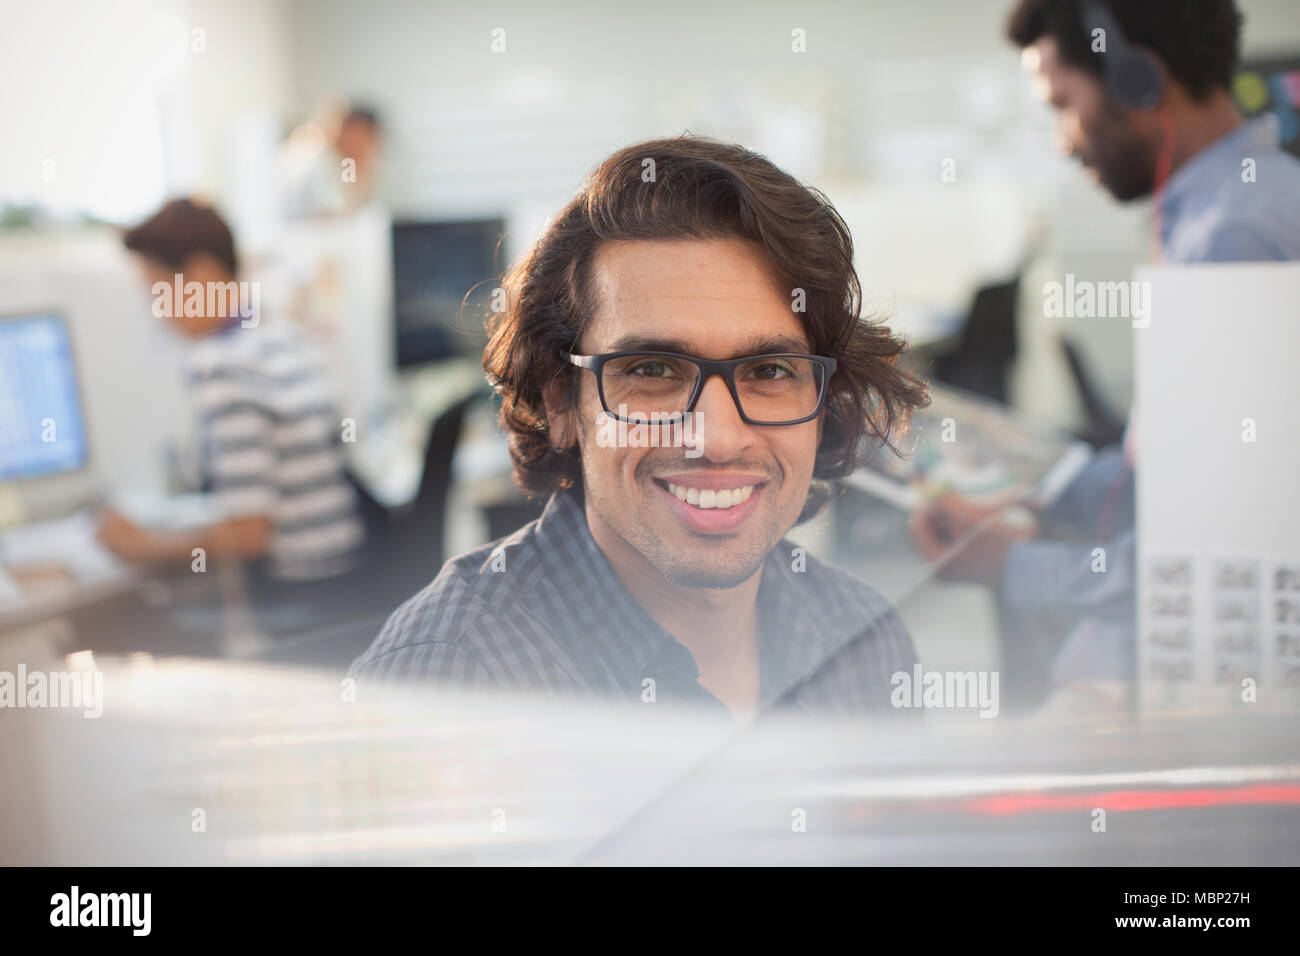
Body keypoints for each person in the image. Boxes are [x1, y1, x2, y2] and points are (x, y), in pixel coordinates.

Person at [350, 137, 930, 720]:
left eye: (770, 371)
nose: (718, 438)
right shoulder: (446, 686)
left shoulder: (864, 642)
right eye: (651, 371)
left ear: (826, 401)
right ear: (561, 405)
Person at [911, 0, 1300, 710]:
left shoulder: (1236, 239)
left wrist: (1013, 565)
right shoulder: (1217, 216)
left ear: (1139, 81)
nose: (1063, 142)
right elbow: (1186, 484)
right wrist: (1040, 485)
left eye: (1062, 105)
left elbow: (1232, 560)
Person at [99, 199, 365, 597]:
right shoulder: (284, 336)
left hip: (297, 595)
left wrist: (141, 546)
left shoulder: (222, 366)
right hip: (346, 584)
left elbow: (248, 535)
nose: (157, 314)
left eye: (158, 291)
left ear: (202, 274)